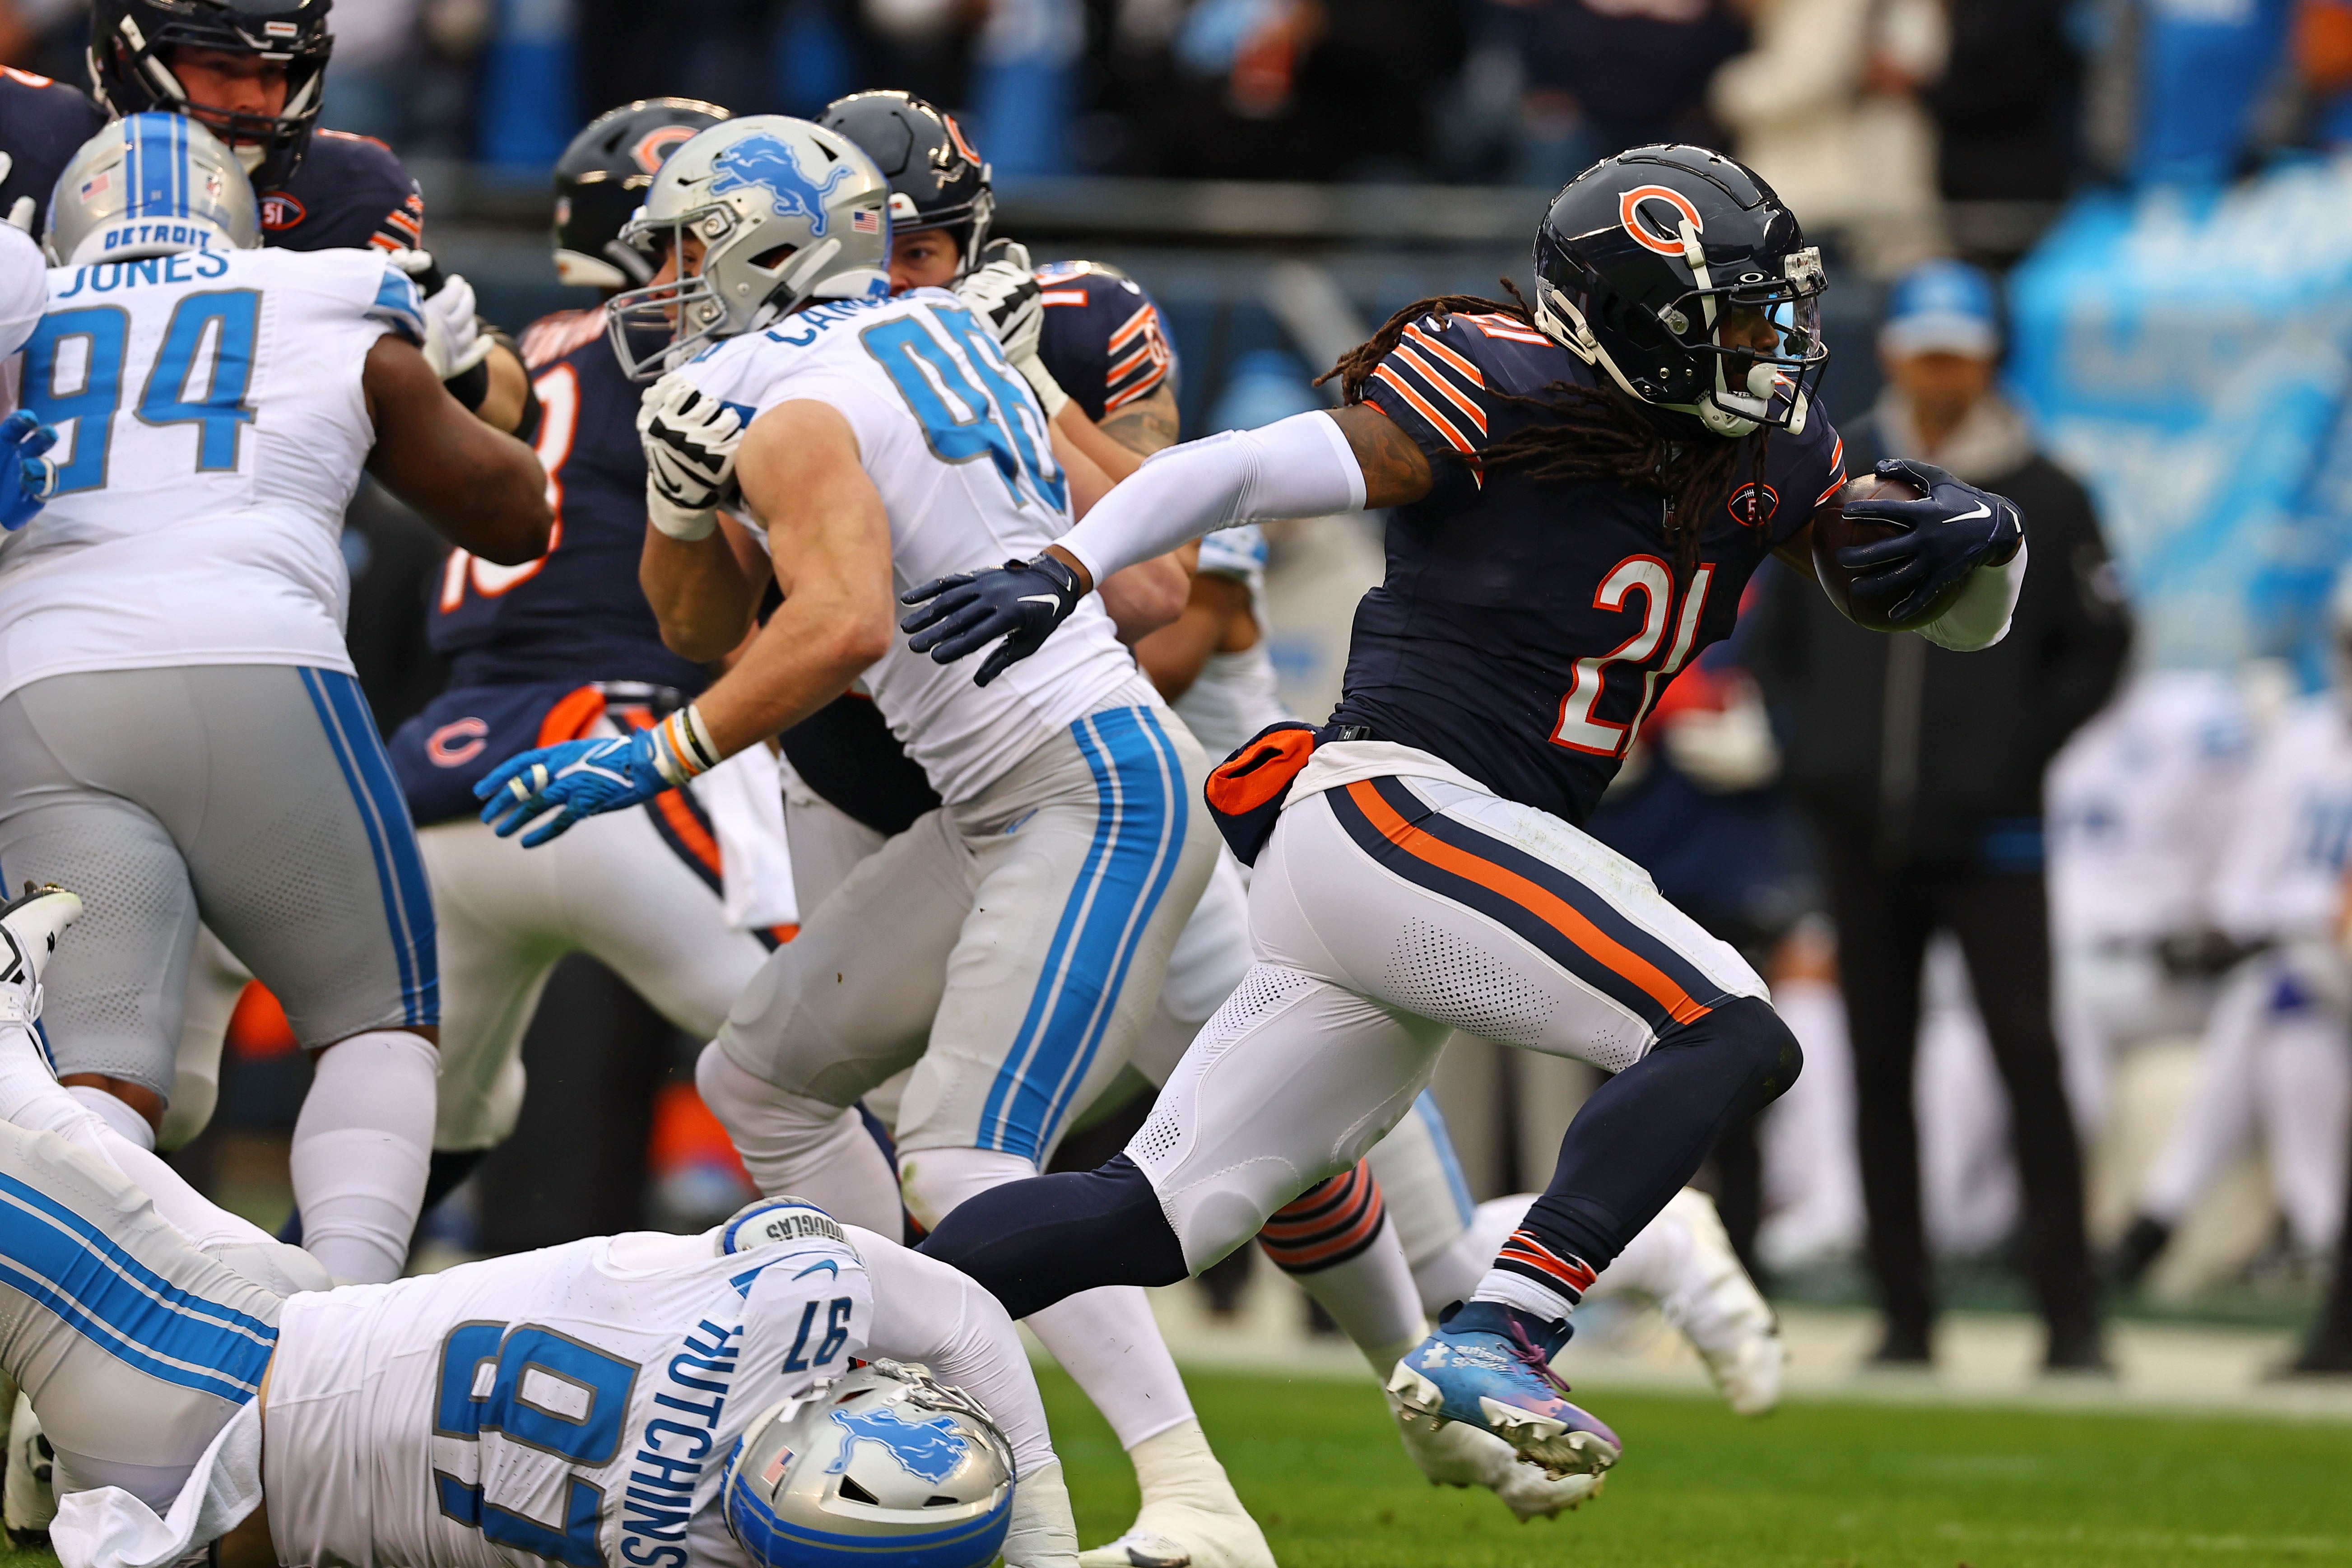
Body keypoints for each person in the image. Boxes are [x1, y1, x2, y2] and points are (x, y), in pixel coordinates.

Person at [897, 144, 2026, 1482]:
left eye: (1768, 311)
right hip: (1398, 810)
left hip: (1400, 859)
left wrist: (1981, 548)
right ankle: (1504, 1326)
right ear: (1629, 323)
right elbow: (1243, 470)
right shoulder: (1495, 386)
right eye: (1728, 318)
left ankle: (811, 1323)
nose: (1765, 346)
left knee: (1146, 1216)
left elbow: (1935, 610)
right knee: (1721, 1024)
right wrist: (1070, 563)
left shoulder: (1768, 452)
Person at [470, 111, 1233, 1554]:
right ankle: (911, 1391)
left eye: (684, 249)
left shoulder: (782, 387)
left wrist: (653, 757)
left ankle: (1174, 1494)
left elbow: (840, 626)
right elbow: (701, 616)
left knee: (963, 1158)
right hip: (1007, 797)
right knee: (761, 1079)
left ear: (761, 245)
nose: (662, 283)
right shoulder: (926, 330)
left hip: (1089, 781)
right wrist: (679, 507)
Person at [0, 886, 1081, 1568]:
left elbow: (962, 1315)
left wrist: (1044, 1531)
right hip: (242, 1457)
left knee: (113, 1215)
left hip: (207, 1373)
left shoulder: (788, 1301)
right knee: (264, 1265)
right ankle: (15, 1053)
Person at [0, 116, 547, 1300]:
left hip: (38, 683)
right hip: (254, 652)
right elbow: (511, 517)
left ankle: (90, 1344)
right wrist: (452, 371)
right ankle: (341, 1327)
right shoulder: (325, 287)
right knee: (377, 1019)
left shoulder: (22, 307)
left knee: (99, 1075)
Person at [375, 97, 791, 1223]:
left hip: (442, 772)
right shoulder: (709, 351)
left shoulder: (535, 350)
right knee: (846, 1054)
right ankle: (955, 1320)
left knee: (402, 1146)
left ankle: (256, 1325)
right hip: (610, 750)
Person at [1748, 258, 2129, 1369]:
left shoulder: (2048, 490)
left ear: (1990, 359)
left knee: (2027, 1056)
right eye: (1927, 355)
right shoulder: (1837, 478)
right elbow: (1775, 640)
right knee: (1877, 1065)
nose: (1942, 375)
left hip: (1993, 830)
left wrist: (2012, 755)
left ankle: (2069, 1318)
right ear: (1896, 354)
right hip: (1859, 825)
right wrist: (1814, 752)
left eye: (1959, 356)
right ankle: (1905, 1315)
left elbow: (2100, 645)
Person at [0, 0, 532, 438]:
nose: (253, 101)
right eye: (221, 67)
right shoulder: (26, 136)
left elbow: (515, 415)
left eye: (275, 71)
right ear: (123, 59)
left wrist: (461, 367)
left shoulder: (346, 192)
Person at [2106, 579, 2352, 1288]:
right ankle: (2315, 1230)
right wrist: (2235, 930)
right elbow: (2245, 883)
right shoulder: (2304, 737)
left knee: (2272, 994)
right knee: (2283, 1016)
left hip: (2315, 954)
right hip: (2303, 967)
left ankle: (2161, 1214)